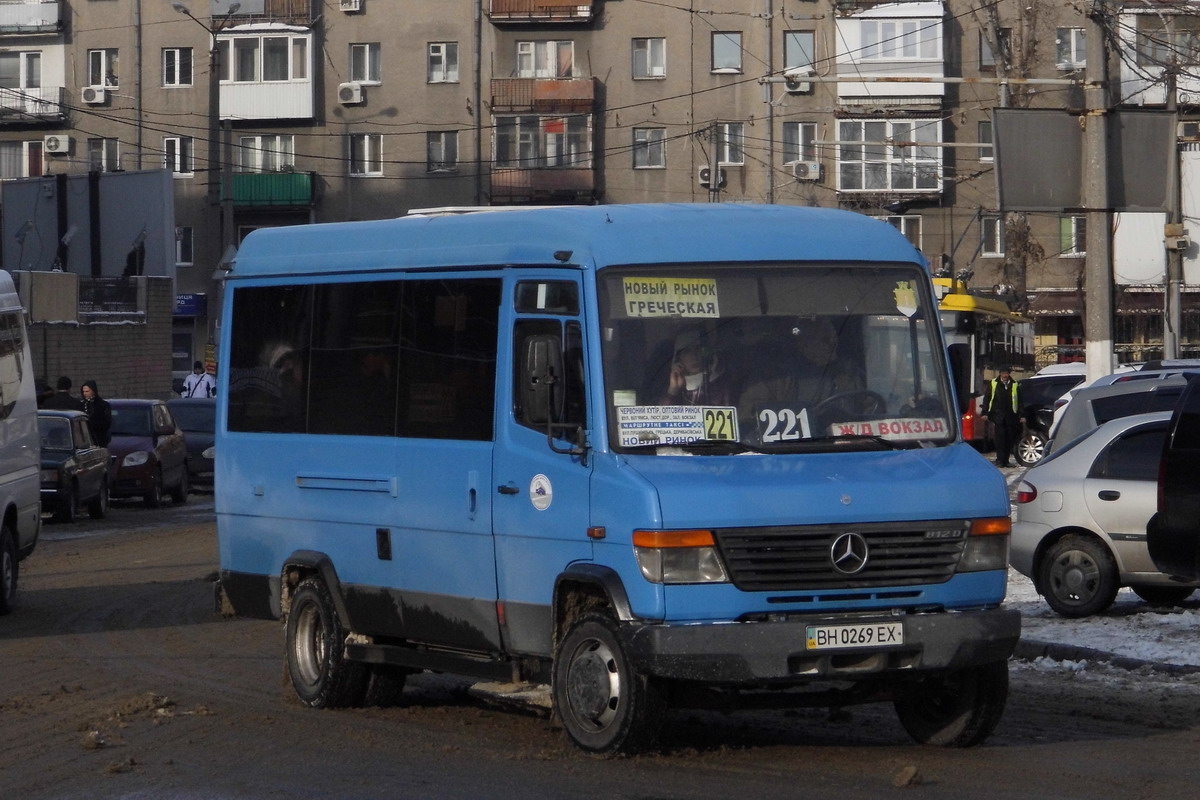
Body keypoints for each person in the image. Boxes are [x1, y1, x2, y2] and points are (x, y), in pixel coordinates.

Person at [658, 330, 735, 406]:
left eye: (698, 349)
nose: (694, 356)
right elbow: (664, 416)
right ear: (679, 358)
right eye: (687, 351)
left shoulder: (724, 385)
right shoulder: (674, 388)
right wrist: (673, 390)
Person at [983, 366, 1022, 467]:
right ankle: (1000, 460)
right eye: (1003, 373)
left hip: (1011, 415)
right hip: (998, 415)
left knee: (1009, 439)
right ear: (1000, 374)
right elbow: (987, 398)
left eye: (1006, 373)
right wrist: (985, 412)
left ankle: (1006, 460)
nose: (1005, 375)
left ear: (1009, 374)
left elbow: (1020, 401)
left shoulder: (1014, 384)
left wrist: (1022, 415)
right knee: (1000, 439)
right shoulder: (993, 383)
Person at [81, 380, 112, 447]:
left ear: (93, 391)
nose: (85, 394)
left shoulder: (103, 405)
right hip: (84, 442)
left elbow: (106, 423)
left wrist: (91, 424)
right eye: (83, 391)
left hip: (99, 440)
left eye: (87, 391)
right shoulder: (82, 405)